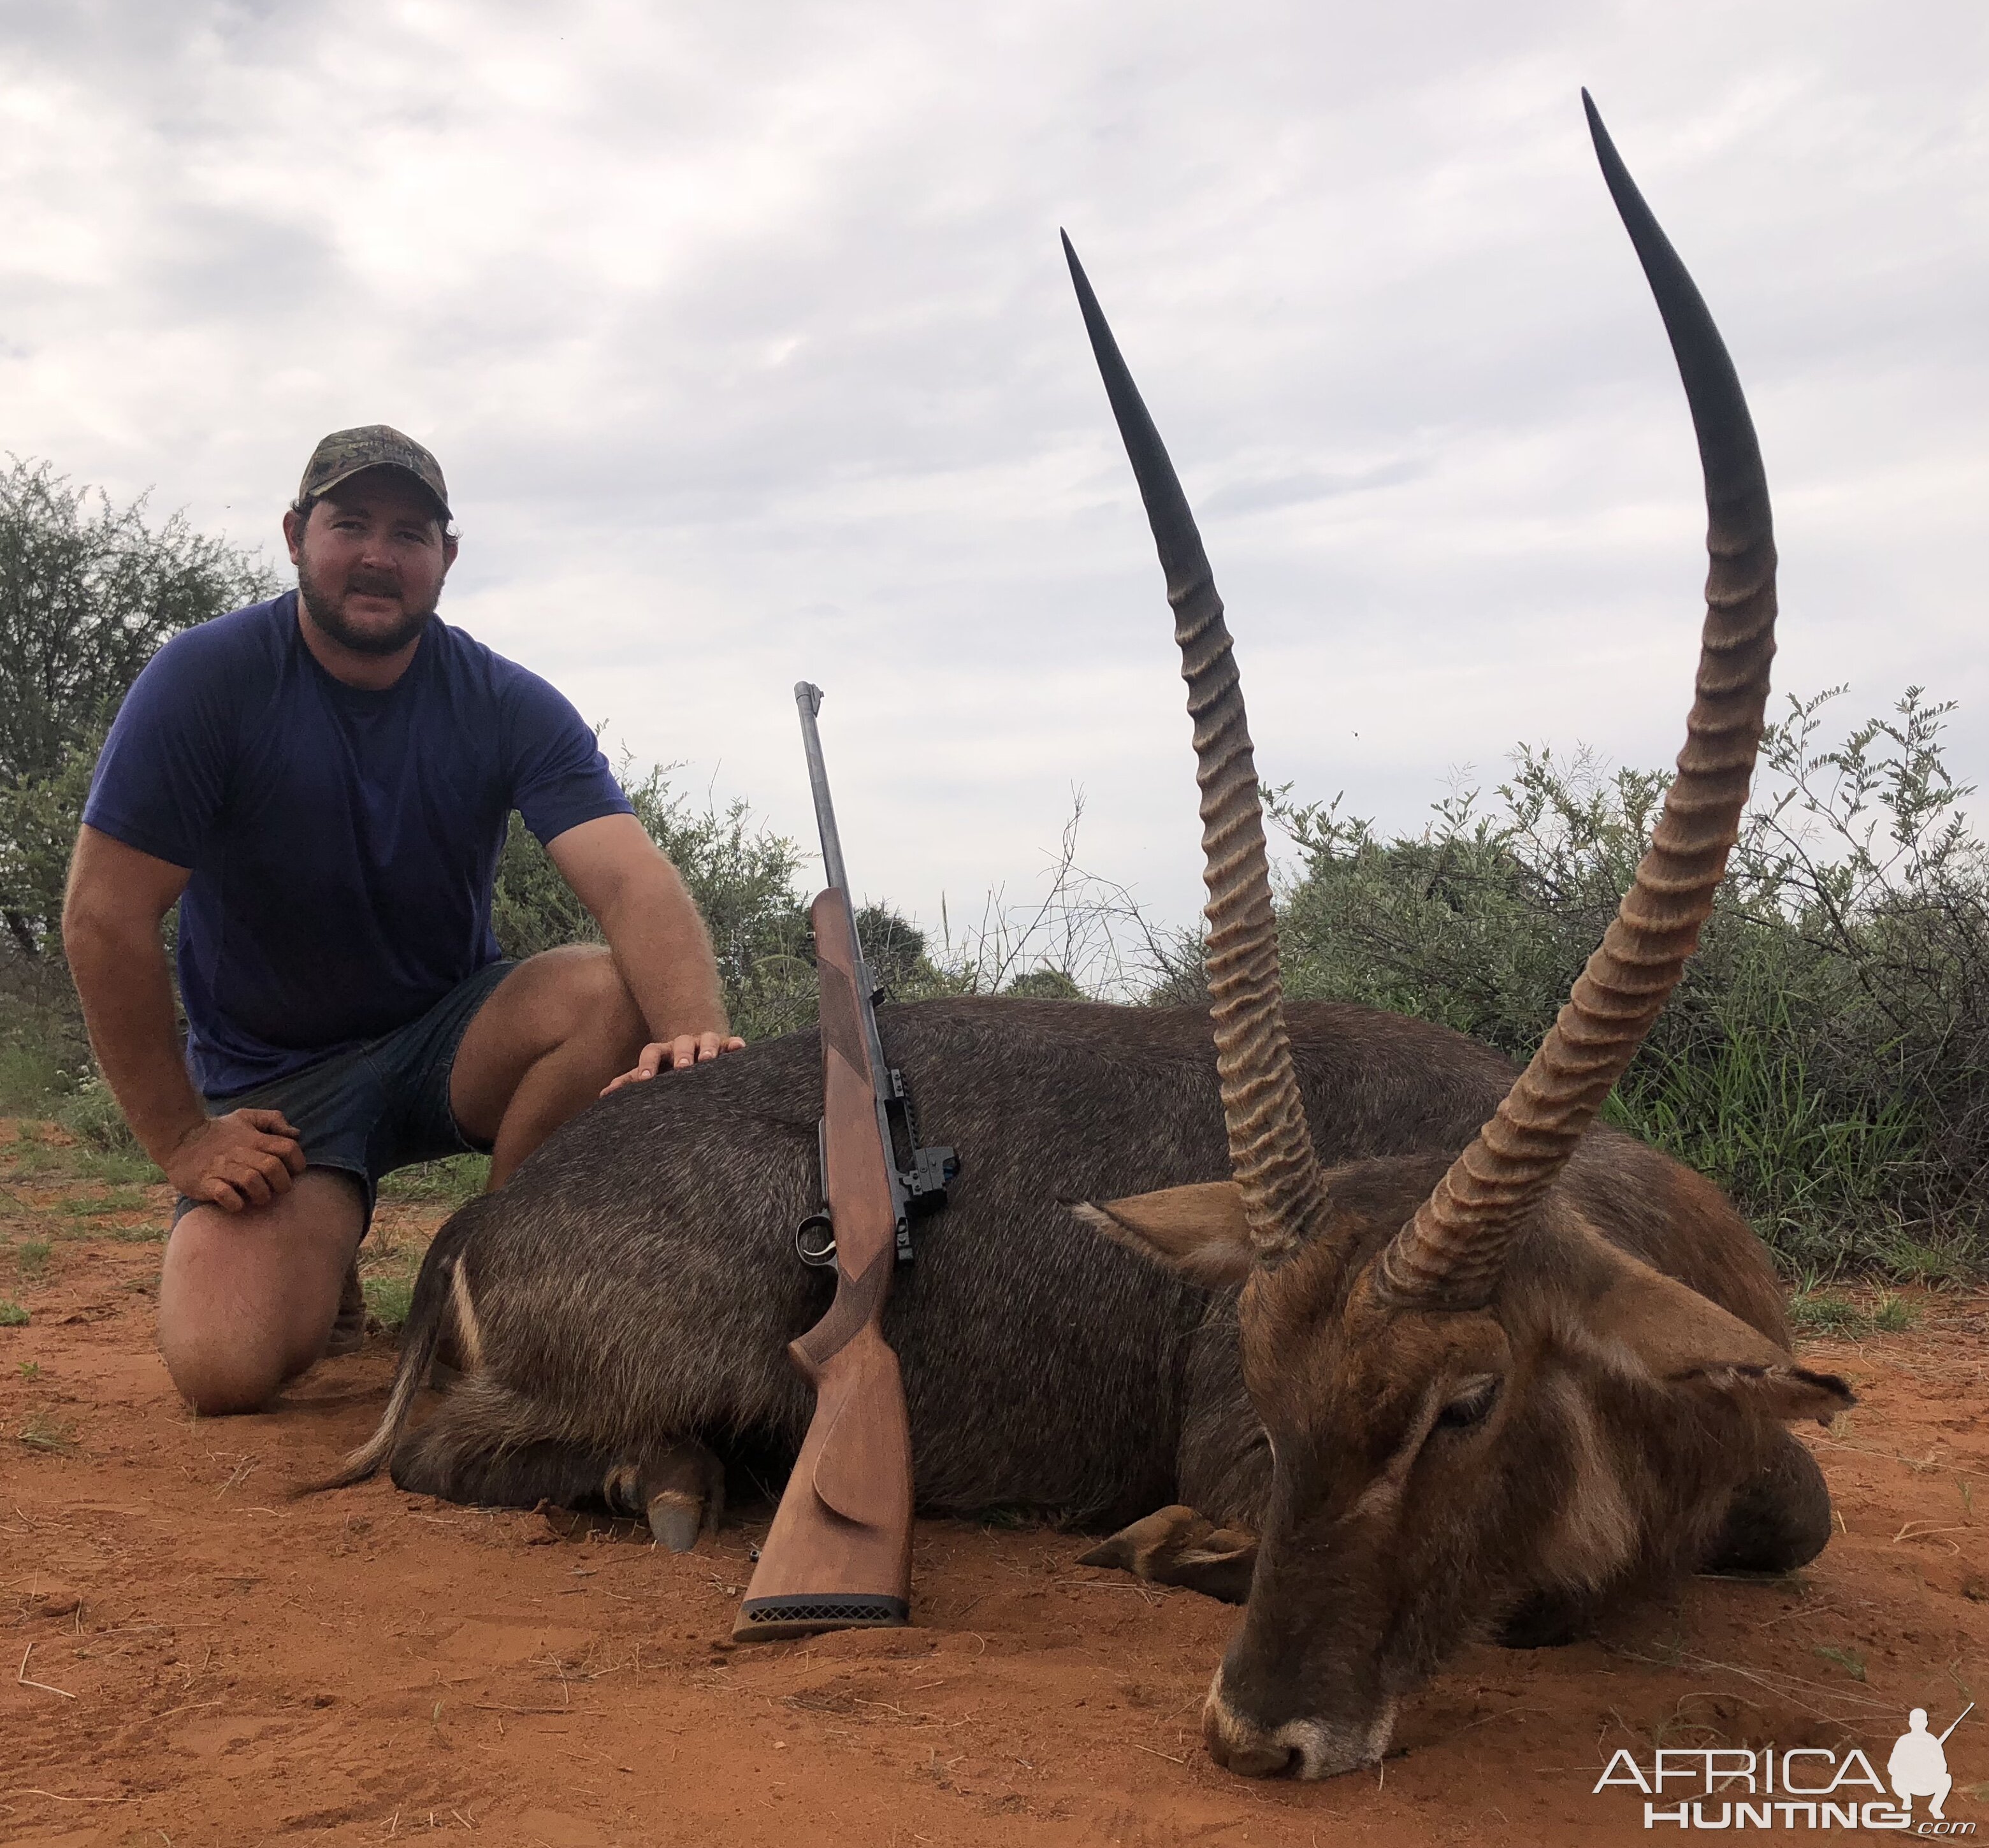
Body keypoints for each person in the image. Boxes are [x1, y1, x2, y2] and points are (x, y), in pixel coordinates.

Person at [62, 426, 744, 1417]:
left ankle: (493, 1285)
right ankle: (323, 1249)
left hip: (446, 1043)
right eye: (350, 524)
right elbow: (103, 918)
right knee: (225, 1371)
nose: (379, 554)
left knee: (605, 987)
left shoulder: (508, 700)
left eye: (410, 532)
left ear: (446, 558)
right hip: (278, 1085)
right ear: (297, 536)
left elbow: (634, 883)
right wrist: (182, 1139)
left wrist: (694, 1033)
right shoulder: (205, 679)